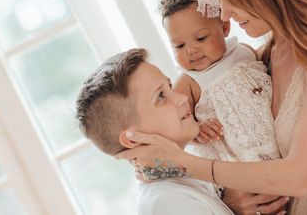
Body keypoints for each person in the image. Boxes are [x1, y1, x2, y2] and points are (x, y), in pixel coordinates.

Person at [115, 0, 307, 214]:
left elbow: (298, 178)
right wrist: (229, 201)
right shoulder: (268, 54)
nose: (224, 14)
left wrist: (179, 162)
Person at [159, 0, 287, 214]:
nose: (191, 50)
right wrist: (198, 130)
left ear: (225, 27)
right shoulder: (188, 82)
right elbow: (176, 130)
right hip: (237, 161)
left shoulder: (245, 53)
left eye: (201, 38)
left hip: (275, 147)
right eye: (178, 46)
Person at [75, 48, 234, 215]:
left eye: (170, 86)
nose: (182, 98)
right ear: (132, 139)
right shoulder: (167, 204)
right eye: (160, 96)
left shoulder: (189, 175)